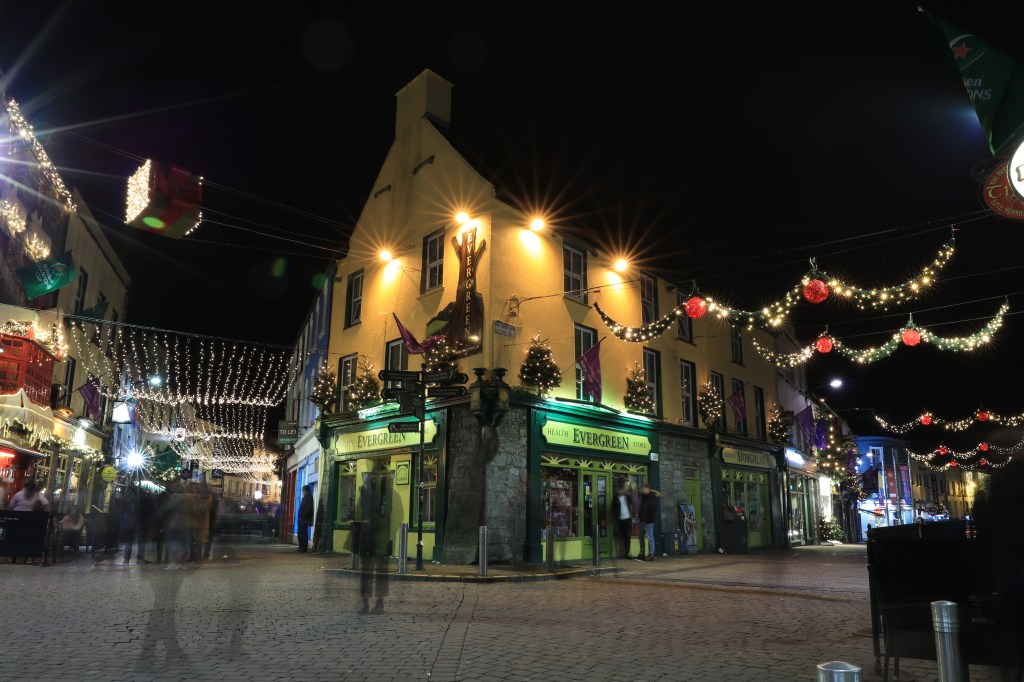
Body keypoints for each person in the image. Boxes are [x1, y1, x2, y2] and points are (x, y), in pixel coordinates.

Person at [636, 484, 659, 561]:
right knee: (641, 538)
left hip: (648, 521)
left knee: (650, 538)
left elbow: (653, 511)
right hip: (642, 521)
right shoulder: (643, 497)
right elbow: (641, 508)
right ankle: (642, 553)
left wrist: (650, 519)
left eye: (644, 488)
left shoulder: (652, 498)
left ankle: (651, 554)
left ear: (648, 489)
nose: (642, 490)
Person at [612, 484, 634, 559]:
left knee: (628, 536)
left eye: (623, 489)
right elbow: (613, 509)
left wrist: (632, 516)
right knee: (624, 536)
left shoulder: (627, 497)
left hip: (628, 519)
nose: (623, 491)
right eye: (621, 489)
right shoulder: (615, 498)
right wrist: (616, 517)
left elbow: (632, 505)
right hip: (621, 520)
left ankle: (627, 553)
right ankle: (624, 552)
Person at [296, 485, 314, 553]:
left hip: (304, 519)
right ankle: (301, 547)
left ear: (305, 490)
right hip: (302, 518)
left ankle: (303, 548)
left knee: (303, 533)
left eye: (303, 490)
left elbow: (308, 509)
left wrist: (302, 516)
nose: (302, 492)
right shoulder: (306, 498)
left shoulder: (308, 498)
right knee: (300, 533)